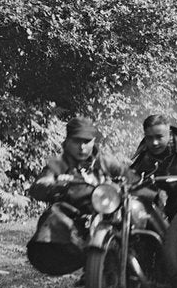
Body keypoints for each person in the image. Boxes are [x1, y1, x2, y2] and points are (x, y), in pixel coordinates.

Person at [27, 117, 118, 276]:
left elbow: (132, 178)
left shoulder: (105, 162)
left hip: (108, 216)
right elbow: (38, 187)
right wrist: (56, 185)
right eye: (77, 141)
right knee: (53, 217)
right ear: (68, 141)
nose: (82, 147)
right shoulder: (59, 164)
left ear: (94, 141)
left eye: (87, 141)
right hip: (75, 224)